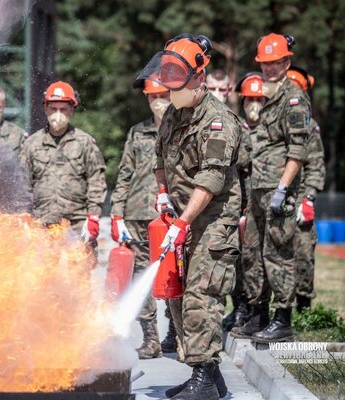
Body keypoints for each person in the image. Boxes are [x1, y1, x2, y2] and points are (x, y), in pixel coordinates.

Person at [135, 33, 241, 400]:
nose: (169, 92)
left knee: (201, 295)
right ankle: (207, 373)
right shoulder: (173, 115)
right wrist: (164, 195)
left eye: (175, 84)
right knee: (176, 297)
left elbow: (211, 179)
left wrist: (183, 222)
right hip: (181, 218)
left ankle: (205, 382)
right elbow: (159, 158)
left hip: (212, 218)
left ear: (199, 78)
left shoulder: (218, 121)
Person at [233, 33, 312, 343]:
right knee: (253, 253)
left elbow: (298, 150)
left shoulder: (293, 98)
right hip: (257, 189)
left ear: (286, 62)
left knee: (278, 254)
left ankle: (283, 319)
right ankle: (259, 313)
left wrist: (283, 189)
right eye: (264, 64)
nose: (269, 69)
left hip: (279, 191)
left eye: (275, 63)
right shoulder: (267, 99)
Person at [110, 79, 171, 359]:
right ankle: (150, 339)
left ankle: (177, 336)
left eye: (162, 95)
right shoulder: (138, 133)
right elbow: (124, 174)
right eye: (152, 97)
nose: (157, 101)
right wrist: (117, 214)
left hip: (171, 215)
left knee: (174, 274)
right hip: (137, 214)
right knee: (139, 277)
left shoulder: (181, 129)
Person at [20, 81, 107, 244]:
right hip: (41, 226)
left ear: (72, 110)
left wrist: (93, 217)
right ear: (45, 108)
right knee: (42, 270)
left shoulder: (85, 143)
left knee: (79, 268)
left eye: (63, 109)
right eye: (53, 109)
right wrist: (24, 217)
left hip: (76, 225)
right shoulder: (31, 144)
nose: (57, 114)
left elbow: (97, 181)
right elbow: (22, 184)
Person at [223, 72, 265, 332]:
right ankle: (242, 308)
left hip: (259, 204)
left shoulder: (272, 128)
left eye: (258, 98)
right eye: (249, 98)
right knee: (239, 260)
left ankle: (256, 310)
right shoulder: (236, 125)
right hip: (241, 204)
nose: (253, 104)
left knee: (256, 259)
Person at [286, 66, 325, 311]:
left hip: (299, 197)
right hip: (277, 196)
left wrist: (308, 198)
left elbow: (316, 164)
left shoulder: (309, 126)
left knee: (302, 252)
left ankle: (303, 305)